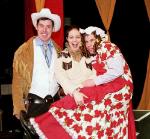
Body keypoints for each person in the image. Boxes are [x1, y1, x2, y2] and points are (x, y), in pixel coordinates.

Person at [30, 26, 136, 139]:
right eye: (71, 37)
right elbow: (62, 78)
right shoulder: (61, 57)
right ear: (67, 39)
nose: (75, 40)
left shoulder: (95, 53)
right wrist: (75, 91)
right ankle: (39, 125)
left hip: (110, 89)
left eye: (78, 37)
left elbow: (98, 76)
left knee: (95, 123)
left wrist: (90, 84)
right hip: (78, 93)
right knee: (87, 121)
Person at [12, 8, 62, 137]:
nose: (44, 30)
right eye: (41, 26)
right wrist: (19, 109)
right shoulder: (23, 51)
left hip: (54, 108)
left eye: (48, 27)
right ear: (36, 27)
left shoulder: (60, 51)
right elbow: (17, 83)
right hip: (33, 108)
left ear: (53, 29)